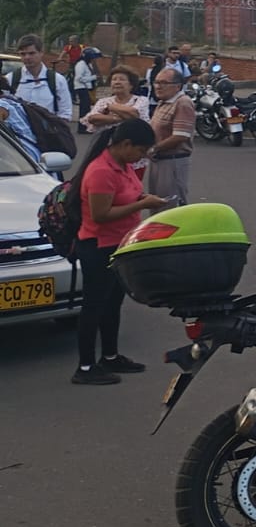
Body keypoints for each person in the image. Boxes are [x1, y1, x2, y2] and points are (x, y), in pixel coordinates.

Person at [72, 119, 167, 385]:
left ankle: (110, 356)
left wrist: (142, 199)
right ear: (126, 144)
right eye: (141, 150)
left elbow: (126, 196)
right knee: (93, 306)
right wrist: (144, 203)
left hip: (120, 245)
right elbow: (101, 214)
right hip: (98, 246)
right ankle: (86, 367)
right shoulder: (101, 170)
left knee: (113, 303)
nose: (143, 156)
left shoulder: (123, 166)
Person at [147, 68, 197, 205]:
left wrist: (153, 148)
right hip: (158, 160)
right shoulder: (163, 102)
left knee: (170, 206)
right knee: (156, 204)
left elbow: (180, 136)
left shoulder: (182, 103)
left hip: (172, 161)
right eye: (156, 82)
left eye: (164, 82)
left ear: (177, 86)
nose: (158, 86)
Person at [9, 33, 74, 128]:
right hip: (18, 138)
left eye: (32, 53)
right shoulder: (11, 79)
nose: (27, 57)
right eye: (23, 54)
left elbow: (65, 113)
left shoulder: (57, 80)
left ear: (41, 52)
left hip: (49, 137)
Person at [70, 46, 101, 125]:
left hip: (86, 88)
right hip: (81, 88)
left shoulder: (87, 64)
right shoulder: (81, 64)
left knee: (86, 107)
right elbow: (79, 78)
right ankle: (82, 126)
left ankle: (85, 125)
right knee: (84, 108)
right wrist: (93, 77)